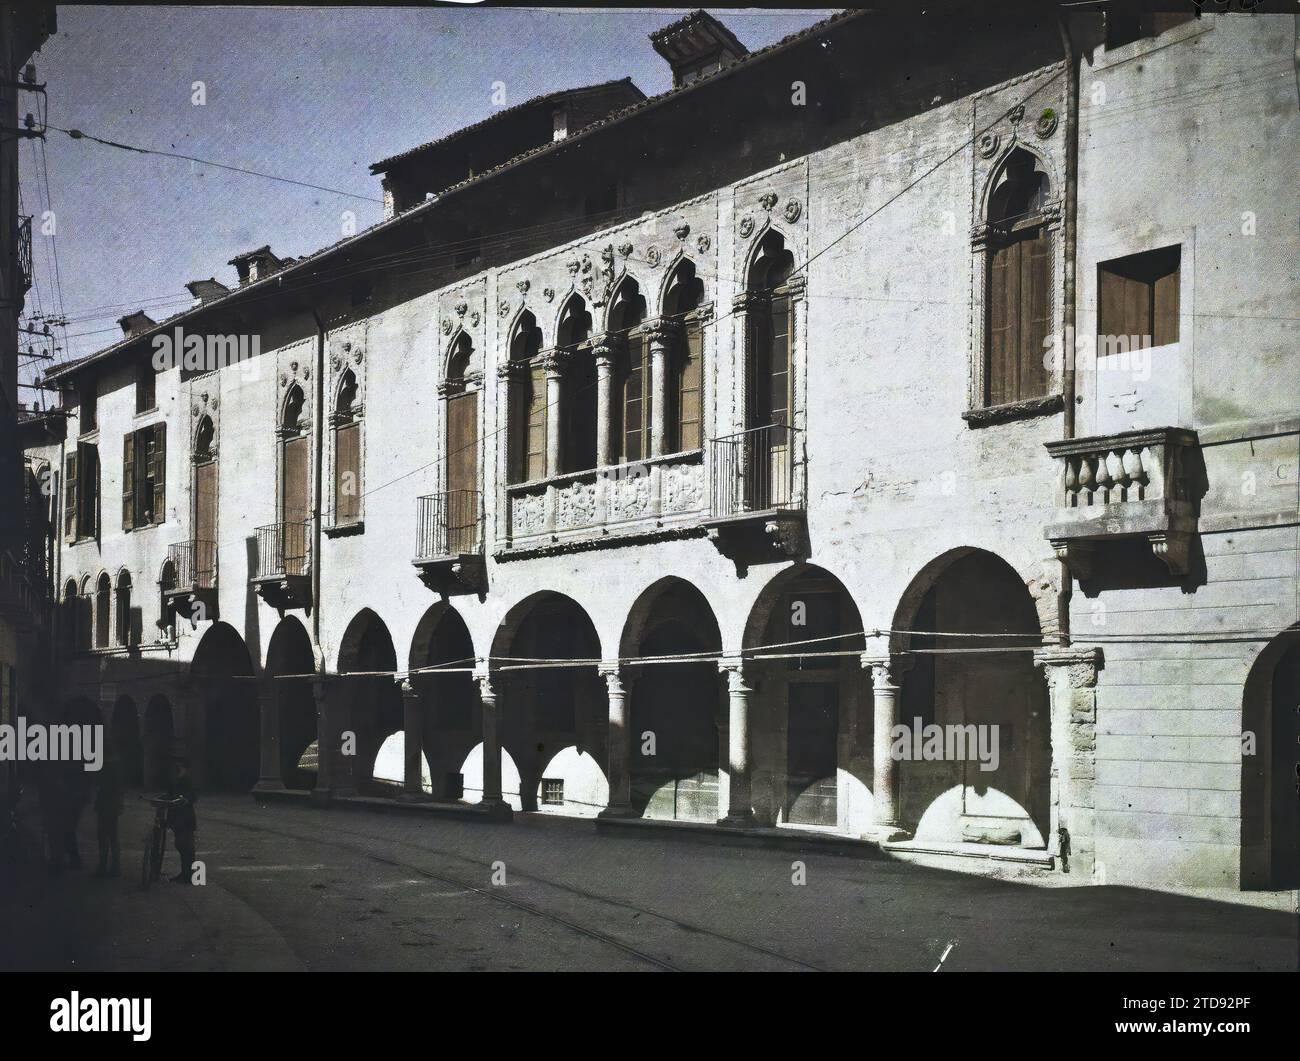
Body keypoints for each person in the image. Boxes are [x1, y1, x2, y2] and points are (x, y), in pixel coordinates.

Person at [166, 758, 197, 885]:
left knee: (186, 846)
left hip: (185, 817)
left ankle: (188, 875)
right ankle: (185, 874)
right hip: (178, 816)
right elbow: (170, 794)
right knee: (181, 845)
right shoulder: (177, 779)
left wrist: (185, 800)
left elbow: (192, 796)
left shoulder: (187, 779)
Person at [94, 753, 124, 877]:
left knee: (104, 837)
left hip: (106, 807)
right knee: (112, 838)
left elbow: (104, 789)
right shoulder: (116, 770)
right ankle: (115, 867)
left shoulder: (106, 771)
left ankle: (104, 866)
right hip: (112, 807)